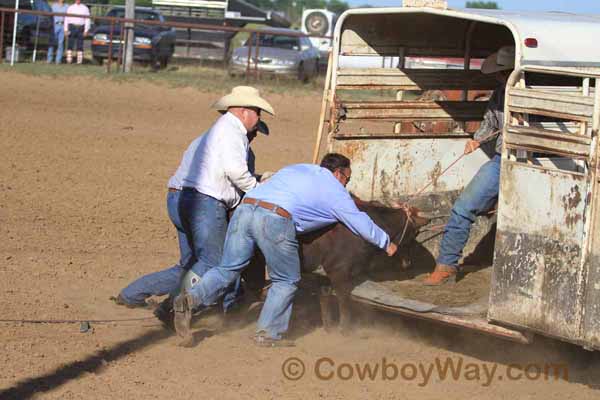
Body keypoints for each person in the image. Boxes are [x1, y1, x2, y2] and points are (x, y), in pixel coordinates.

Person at [172, 153, 398, 346]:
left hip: (246, 209)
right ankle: (267, 333)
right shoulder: (334, 189)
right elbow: (358, 221)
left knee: (227, 269)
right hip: (274, 218)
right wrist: (386, 242)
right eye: (347, 178)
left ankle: (190, 299)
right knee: (286, 279)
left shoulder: (298, 169)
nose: (346, 184)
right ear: (338, 173)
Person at [115, 86, 274, 316]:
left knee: (190, 266)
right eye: (257, 114)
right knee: (217, 263)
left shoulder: (212, 134)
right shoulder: (233, 134)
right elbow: (237, 173)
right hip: (204, 204)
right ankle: (172, 308)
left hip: (179, 197)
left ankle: (131, 294)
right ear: (242, 111)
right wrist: (260, 189)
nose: (257, 126)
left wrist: (255, 179)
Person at [423, 45, 515, 286]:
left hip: (531, 164)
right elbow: (489, 122)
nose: (498, 76)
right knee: (463, 207)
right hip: (501, 160)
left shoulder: (535, 93)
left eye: (501, 72)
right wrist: (477, 139)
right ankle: (446, 266)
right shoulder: (499, 95)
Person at [64, 0, 90, 64]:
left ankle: (79, 61)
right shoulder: (71, 7)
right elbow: (66, 18)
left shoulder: (85, 8)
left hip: (81, 27)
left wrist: (86, 30)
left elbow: (87, 19)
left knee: (80, 44)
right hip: (72, 26)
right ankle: (69, 60)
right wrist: (65, 29)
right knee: (70, 43)